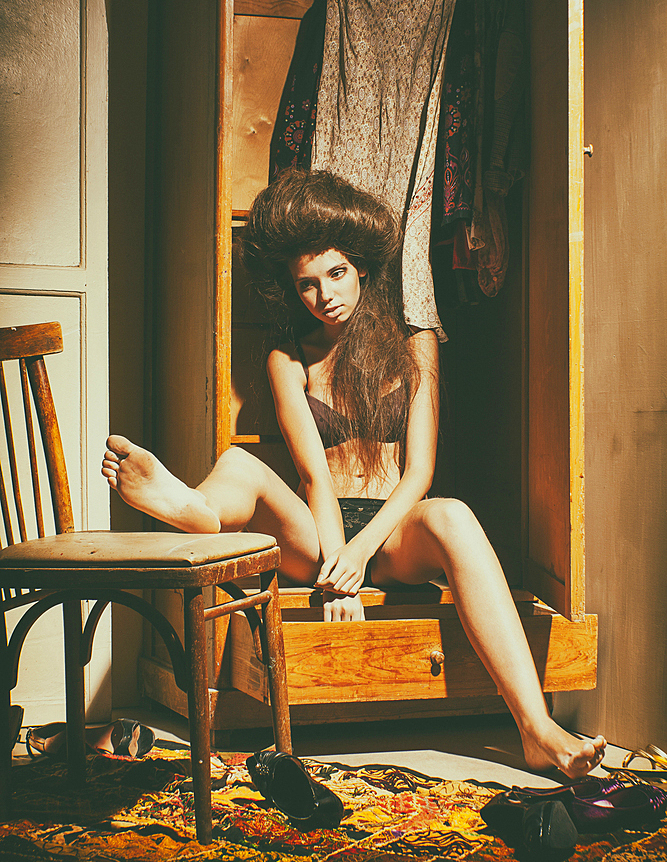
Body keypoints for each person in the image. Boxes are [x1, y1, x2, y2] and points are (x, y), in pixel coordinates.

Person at [102, 168, 606, 779]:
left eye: (336, 275)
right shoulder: (287, 358)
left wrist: (360, 557)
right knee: (240, 462)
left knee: (452, 512)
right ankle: (190, 506)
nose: (325, 295)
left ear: (362, 267)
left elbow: (419, 473)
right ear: (294, 290)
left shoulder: (418, 343)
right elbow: (314, 478)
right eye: (307, 284)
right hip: (318, 530)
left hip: (389, 534)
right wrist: (335, 562)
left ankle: (536, 729)